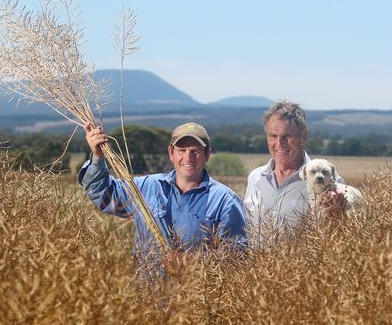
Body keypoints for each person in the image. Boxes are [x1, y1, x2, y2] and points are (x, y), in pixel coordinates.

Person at [78, 121, 247, 267]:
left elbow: (237, 256)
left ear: (207, 155)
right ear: (171, 153)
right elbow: (102, 194)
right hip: (147, 297)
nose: (188, 157)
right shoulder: (146, 187)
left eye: (195, 151)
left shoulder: (225, 201)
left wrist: (193, 262)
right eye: (182, 150)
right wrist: (97, 156)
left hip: (196, 300)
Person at [243, 101, 346, 235]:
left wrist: (338, 216)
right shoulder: (255, 178)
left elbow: (341, 235)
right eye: (273, 136)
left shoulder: (330, 182)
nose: (279, 144)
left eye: (287, 136)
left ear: (303, 136)